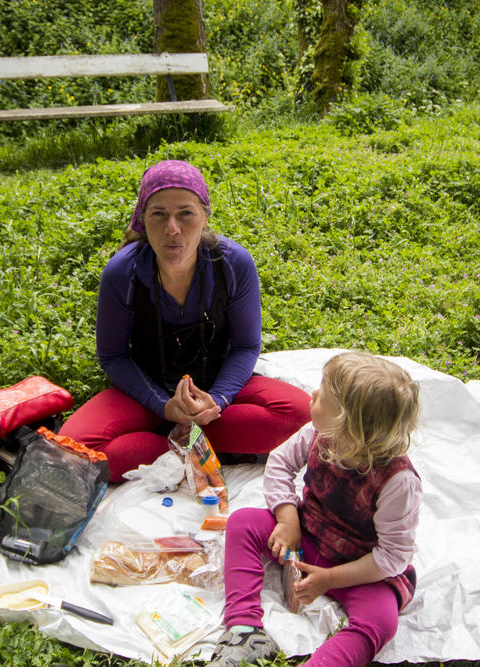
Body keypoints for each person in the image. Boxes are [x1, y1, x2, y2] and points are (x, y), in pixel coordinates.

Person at [59, 160, 311, 482]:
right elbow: (114, 355)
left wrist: (217, 399)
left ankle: (176, 442)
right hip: (146, 391)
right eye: (159, 214)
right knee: (75, 451)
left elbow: (247, 345)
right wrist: (162, 405)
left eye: (185, 214)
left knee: (300, 415)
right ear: (143, 220)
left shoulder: (233, 265)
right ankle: (186, 443)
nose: (172, 228)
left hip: (215, 390)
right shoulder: (123, 273)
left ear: (205, 216)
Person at [207, 350, 423, 667]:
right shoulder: (318, 434)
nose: (312, 395)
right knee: (243, 522)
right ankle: (244, 630)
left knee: (382, 620)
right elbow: (279, 463)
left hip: (360, 566)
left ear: (348, 427)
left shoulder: (398, 482)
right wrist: (288, 520)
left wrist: (330, 579)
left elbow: (393, 556)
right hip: (308, 533)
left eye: (322, 397)